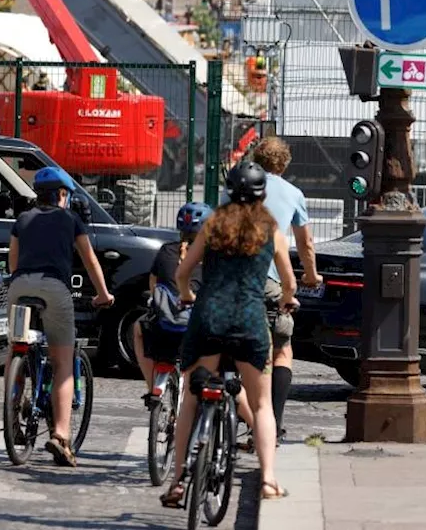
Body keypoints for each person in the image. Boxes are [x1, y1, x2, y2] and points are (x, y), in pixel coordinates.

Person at [161, 162, 296, 506]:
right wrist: (288, 299)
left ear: (228, 192)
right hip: (250, 322)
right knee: (261, 404)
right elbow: (289, 282)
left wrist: (188, 295)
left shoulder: (212, 226)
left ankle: (177, 480)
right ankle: (267, 479)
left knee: (191, 399)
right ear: (262, 193)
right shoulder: (271, 230)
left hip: (209, 318)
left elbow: (182, 273)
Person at [6, 166, 115, 466]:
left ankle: (11, 411)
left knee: (16, 347)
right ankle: (61, 435)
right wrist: (103, 294)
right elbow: (89, 259)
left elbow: (12, 262)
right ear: (62, 195)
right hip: (55, 288)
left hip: (19, 287)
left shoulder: (22, 219)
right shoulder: (70, 219)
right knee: (63, 363)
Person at [221, 136, 321, 442]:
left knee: (228, 353)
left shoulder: (238, 187)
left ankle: (241, 415)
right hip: (269, 283)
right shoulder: (293, 193)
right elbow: (305, 242)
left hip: (228, 279)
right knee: (281, 349)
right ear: (285, 164)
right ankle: (270, 424)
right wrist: (311, 275)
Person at [133, 202, 208, 404]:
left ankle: (153, 388)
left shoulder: (166, 251)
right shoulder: (211, 256)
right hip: (196, 328)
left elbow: (154, 284)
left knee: (138, 329)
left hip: (165, 326)